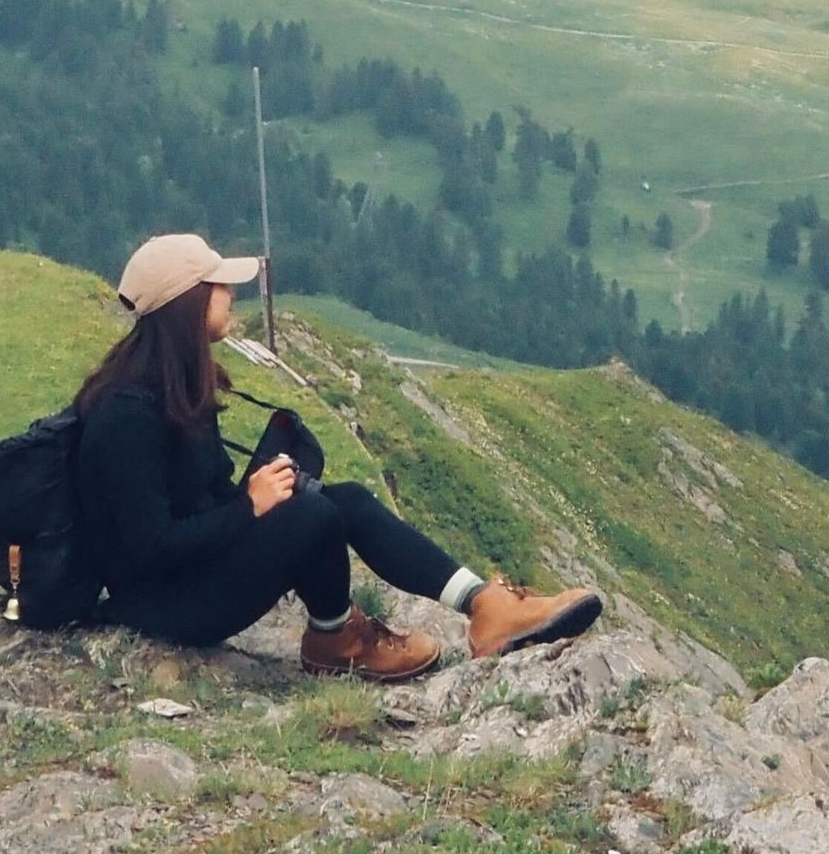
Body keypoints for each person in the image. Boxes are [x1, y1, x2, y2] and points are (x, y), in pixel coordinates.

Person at [73, 232, 600, 680]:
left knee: (341, 499)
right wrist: (250, 507)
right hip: (164, 606)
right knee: (314, 515)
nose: (231, 293)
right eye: (218, 285)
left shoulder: (175, 386)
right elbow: (151, 548)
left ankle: (485, 606)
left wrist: (260, 490)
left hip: (188, 579)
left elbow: (196, 502)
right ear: (188, 303)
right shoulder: (128, 414)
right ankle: (336, 639)